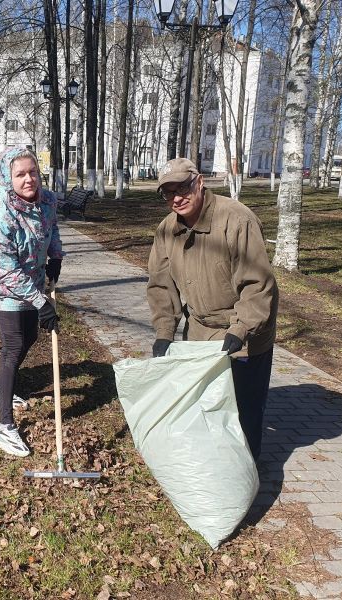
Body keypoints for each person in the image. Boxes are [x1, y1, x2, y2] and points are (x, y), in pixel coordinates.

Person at [146, 158, 279, 460]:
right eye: (168, 193)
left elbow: (257, 284)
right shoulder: (167, 230)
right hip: (201, 332)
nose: (176, 198)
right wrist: (164, 332)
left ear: (200, 182)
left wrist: (241, 329)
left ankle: (245, 480)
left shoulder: (236, 220)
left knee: (243, 414)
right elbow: (161, 285)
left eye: (182, 187)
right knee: (206, 409)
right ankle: (215, 472)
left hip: (245, 333)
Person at [0, 147, 64, 457]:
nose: (29, 179)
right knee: (14, 344)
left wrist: (55, 255)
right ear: (7, 177)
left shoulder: (48, 199)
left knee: (29, 336)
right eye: (20, 174)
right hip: (5, 285)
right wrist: (40, 302)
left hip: (34, 279)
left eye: (32, 172)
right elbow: (6, 269)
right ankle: (4, 426)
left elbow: (51, 226)